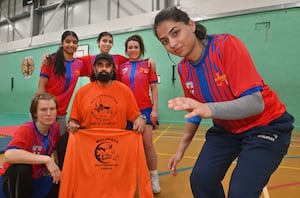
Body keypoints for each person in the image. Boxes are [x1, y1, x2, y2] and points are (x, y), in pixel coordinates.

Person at [154, 6, 294, 198]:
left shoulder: (225, 45)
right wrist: (180, 150)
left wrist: (207, 108)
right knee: (201, 180)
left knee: (240, 192)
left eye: (175, 33)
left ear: (191, 25)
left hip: (266, 126)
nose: (172, 43)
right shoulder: (184, 69)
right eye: (165, 41)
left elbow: (255, 103)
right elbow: (195, 113)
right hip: (228, 130)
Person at [118, 34, 161, 193]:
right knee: (126, 147)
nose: (133, 50)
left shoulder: (148, 65)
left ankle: (154, 178)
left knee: (147, 145)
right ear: (126, 50)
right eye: (130, 47)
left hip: (145, 110)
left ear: (140, 49)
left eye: (136, 47)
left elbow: (154, 88)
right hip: (126, 111)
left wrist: (155, 110)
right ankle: (127, 177)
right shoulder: (121, 67)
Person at [0, 93, 61, 198]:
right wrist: (46, 159)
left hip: (37, 179)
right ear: (35, 113)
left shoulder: (55, 128)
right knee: (22, 167)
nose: (49, 113)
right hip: (14, 181)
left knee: (62, 181)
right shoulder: (27, 130)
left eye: (52, 109)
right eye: (43, 110)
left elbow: (55, 151)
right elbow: (8, 155)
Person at [36, 30, 90, 135]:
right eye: (68, 41)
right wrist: (41, 108)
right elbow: (41, 86)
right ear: (62, 44)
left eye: (74, 42)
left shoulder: (79, 63)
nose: (71, 45)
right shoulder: (50, 61)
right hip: (45, 110)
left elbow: (95, 70)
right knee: (41, 144)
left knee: (60, 145)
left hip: (61, 113)